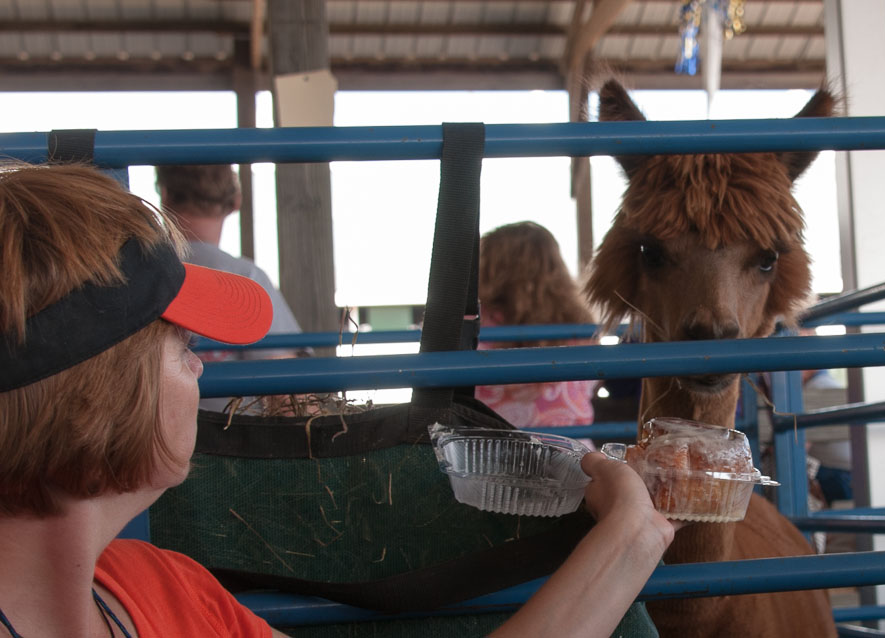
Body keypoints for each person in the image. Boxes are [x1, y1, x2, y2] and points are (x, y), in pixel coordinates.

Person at [0, 163, 677, 638]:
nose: (202, 365)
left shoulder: (162, 588)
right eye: (182, 345)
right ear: (93, 402)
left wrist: (631, 536)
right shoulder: (157, 597)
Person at [156, 164, 303, 410]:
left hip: (151, 429)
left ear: (165, 196)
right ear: (236, 201)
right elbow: (289, 394)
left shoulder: (138, 273)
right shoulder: (247, 278)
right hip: (234, 430)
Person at [475, 221, 599, 429]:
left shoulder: (476, 322)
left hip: (490, 442)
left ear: (490, 268)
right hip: (570, 441)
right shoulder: (579, 324)